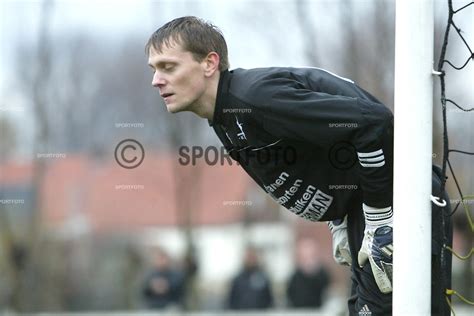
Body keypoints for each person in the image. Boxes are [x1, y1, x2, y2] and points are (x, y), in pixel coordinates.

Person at [144, 16, 452, 315]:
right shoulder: (224, 115)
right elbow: (323, 152)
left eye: (168, 67)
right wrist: (340, 219)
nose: (156, 80)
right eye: (154, 69)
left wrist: (380, 219)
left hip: (399, 206)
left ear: (209, 63)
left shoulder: (255, 97)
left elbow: (373, 122)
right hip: (364, 214)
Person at [287, 238, 331, 308]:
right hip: (299, 309)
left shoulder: (321, 273)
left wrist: (314, 271)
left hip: (317, 309)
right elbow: (290, 293)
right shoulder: (296, 275)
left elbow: (325, 286)